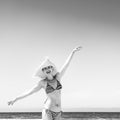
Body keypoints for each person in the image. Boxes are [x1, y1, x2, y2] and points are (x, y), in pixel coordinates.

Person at [8, 46, 82, 120]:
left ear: (52, 68)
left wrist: (72, 52)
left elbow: (66, 65)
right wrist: (15, 99)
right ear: (43, 72)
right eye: (45, 69)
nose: (47, 69)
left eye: (48, 67)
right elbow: (29, 92)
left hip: (58, 113)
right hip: (48, 111)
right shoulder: (42, 83)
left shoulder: (58, 77)